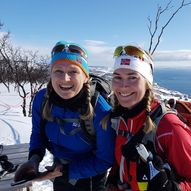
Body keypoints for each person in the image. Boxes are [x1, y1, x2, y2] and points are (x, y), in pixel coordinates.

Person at [14, 41, 115, 191]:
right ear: (51, 75)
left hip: (91, 177)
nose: (65, 78)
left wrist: (66, 171)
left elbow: (105, 159)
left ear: (85, 77)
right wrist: (34, 159)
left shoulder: (99, 109)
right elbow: (38, 134)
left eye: (73, 72)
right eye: (58, 71)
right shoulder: (42, 100)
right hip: (58, 171)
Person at [106, 44, 191, 191]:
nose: (123, 86)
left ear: (147, 83)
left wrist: (174, 188)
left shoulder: (168, 127)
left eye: (132, 77)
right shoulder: (120, 118)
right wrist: (114, 178)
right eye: (117, 77)